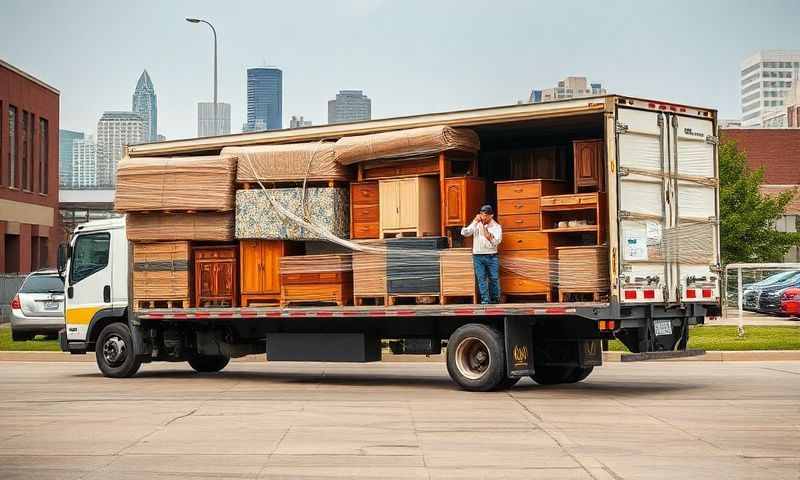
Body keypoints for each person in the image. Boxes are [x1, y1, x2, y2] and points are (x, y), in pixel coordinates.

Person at [461, 205, 503, 304]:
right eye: (481, 215)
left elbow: (495, 241)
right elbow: (465, 233)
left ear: (491, 215)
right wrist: (475, 222)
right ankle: (485, 300)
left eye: (485, 215)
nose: (483, 217)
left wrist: (482, 226)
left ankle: (495, 299)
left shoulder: (496, 227)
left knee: (494, 278)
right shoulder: (477, 223)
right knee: (481, 278)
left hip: (492, 256)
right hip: (478, 256)